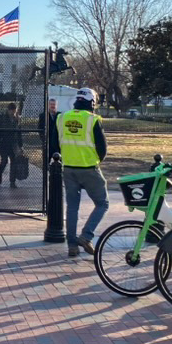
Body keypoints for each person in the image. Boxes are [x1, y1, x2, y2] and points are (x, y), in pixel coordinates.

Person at [49, 87, 109, 258]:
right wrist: (94, 161)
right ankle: (86, 235)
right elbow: (102, 149)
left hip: (68, 169)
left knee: (72, 208)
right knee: (102, 204)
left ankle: (72, 246)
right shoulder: (93, 120)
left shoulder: (62, 117)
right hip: (89, 168)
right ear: (92, 102)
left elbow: (55, 143)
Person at [0, 102, 23, 188]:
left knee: (14, 162)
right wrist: (1, 137)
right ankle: (0, 173)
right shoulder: (1, 118)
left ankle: (12, 182)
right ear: (9, 110)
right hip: (4, 143)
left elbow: (19, 133)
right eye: (12, 111)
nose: (13, 113)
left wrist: (20, 146)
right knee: (4, 161)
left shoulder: (16, 119)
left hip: (13, 144)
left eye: (15, 111)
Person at [38, 98, 59, 169]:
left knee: (59, 161)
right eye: (51, 104)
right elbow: (40, 128)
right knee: (46, 162)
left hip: (57, 143)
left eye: (54, 104)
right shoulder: (43, 115)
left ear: (56, 105)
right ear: (48, 105)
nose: (52, 106)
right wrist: (43, 139)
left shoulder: (60, 115)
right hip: (47, 142)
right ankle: (46, 176)